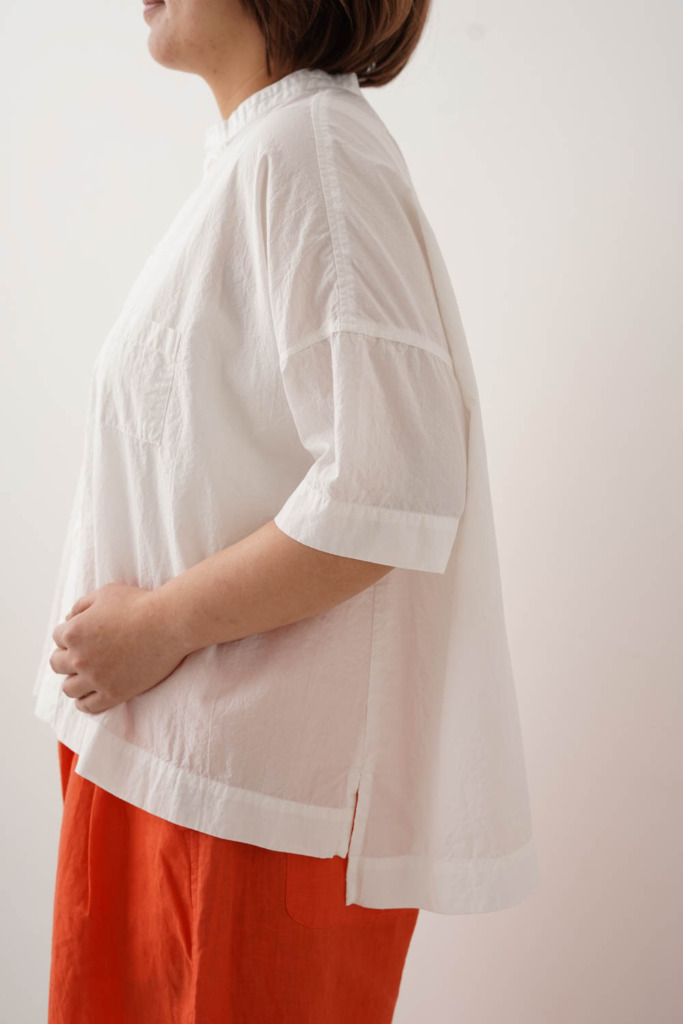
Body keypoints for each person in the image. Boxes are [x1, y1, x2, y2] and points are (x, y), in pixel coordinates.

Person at [33, 0, 540, 1020]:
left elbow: (389, 482)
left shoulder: (311, 151)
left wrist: (155, 627)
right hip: (172, 774)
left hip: (241, 809)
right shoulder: (261, 155)